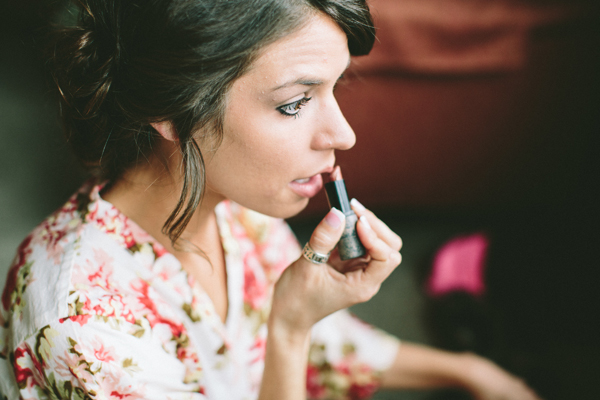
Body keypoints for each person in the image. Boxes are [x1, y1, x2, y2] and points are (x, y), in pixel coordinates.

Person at [0, 0, 541, 399]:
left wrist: (471, 373)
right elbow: (288, 337)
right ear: (168, 109)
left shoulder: (233, 206)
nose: (345, 135)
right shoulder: (81, 332)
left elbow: (329, 349)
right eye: (293, 104)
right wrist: (289, 328)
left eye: (336, 89)